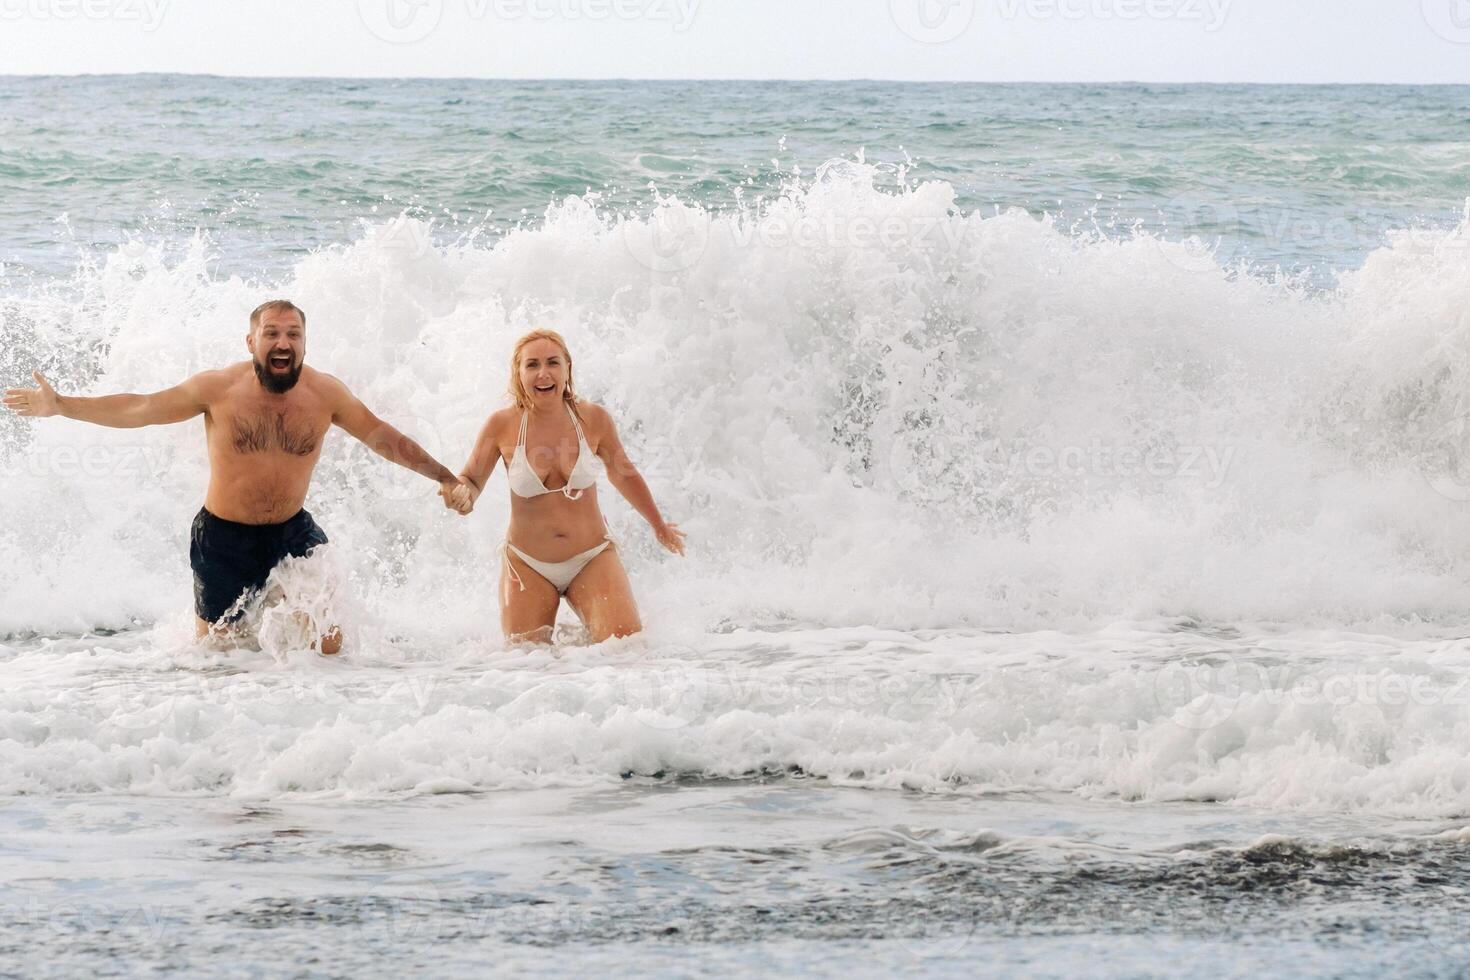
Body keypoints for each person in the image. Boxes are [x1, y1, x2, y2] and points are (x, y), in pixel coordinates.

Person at [2, 300, 465, 654]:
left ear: (304, 343)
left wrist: (444, 476)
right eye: (271, 333)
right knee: (220, 658)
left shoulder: (326, 395)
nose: (282, 342)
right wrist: (62, 405)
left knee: (329, 641)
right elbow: (141, 408)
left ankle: (316, 718)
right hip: (222, 539)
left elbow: (382, 436)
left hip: (292, 530)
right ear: (251, 342)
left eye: (293, 334)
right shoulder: (218, 389)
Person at [445, 329, 685, 643]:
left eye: (552, 363)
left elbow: (623, 474)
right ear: (518, 373)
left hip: (592, 557)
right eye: (531, 365)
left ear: (567, 368)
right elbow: (471, 480)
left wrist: (658, 524)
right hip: (527, 564)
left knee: (626, 650)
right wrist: (461, 494)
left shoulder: (593, 419)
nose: (543, 373)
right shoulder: (501, 425)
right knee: (525, 664)